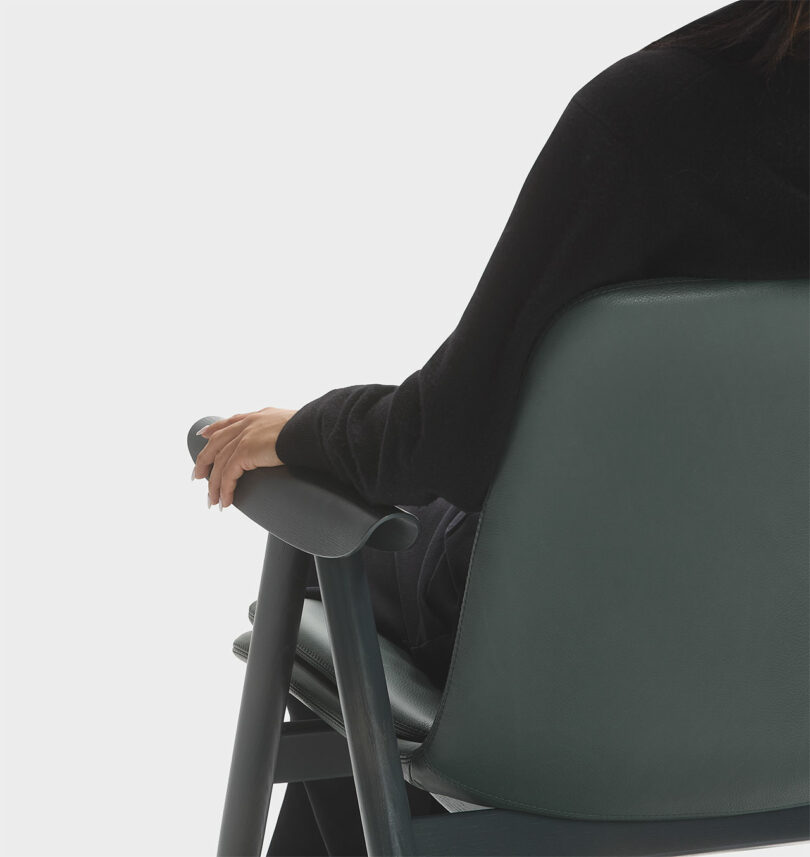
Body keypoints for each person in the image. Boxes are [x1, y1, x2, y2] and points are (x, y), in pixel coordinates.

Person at [192, 1, 809, 853]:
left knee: (337, 558)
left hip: (563, 689)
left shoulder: (647, 120)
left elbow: (438, 441)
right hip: (790, 704)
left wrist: (302, 434)